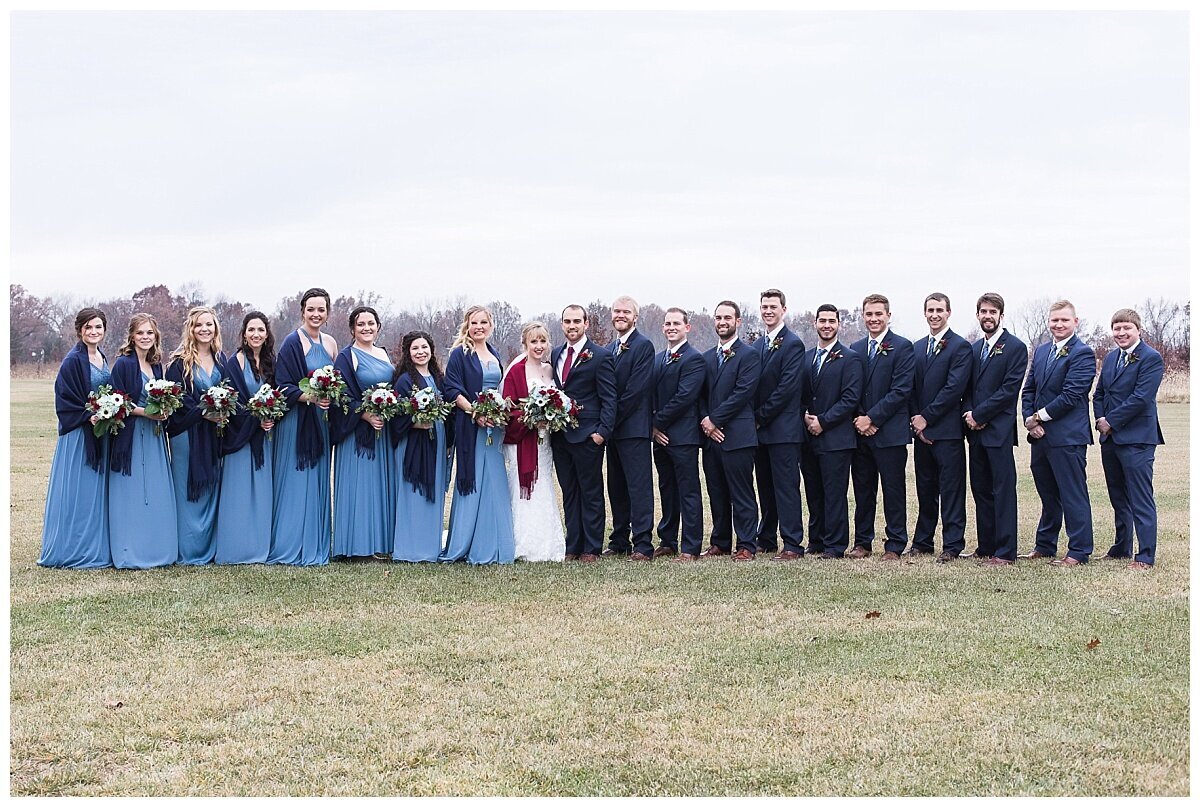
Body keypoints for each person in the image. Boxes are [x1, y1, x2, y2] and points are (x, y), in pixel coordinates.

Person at [1020, 299, 1096, 566]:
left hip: (1068, 437)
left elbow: (1072, 395)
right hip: (1039, 437)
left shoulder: (1083, 353)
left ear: (1075, 322)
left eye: (1064, 320)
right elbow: (1029, 389)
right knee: (1048, 495)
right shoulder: (1041, 352)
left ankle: (1079, 550)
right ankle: (1045, 544)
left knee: (1072, 494)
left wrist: (1039, 416)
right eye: (1054, 320)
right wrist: (1029, 420)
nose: (1059, 324)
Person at [39, 307, 114, 568]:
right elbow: (64, 398)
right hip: (79, 435)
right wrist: (88, 416)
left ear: (104, 330)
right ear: (80, 330)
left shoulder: (101, 357)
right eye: (88, 328)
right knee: (78, 492)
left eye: (98, 327)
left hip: (100, 433)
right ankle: (72, 548)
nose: (94, 332)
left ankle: (94, 544)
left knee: (95, 492)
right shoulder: (73, 360)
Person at [269, 287, 338, 566]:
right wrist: (310, 396)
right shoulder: (291, 342)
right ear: (302, 311)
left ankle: (316, 542)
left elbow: (337, 382)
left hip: (320, 422)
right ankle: (290, 544)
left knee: (318, 479)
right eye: (311, 309)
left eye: (321, 309)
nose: (316, 314)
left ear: (328, 313)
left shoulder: (331, 344)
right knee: (296, 481)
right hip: (295, 422)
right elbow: (282, 385)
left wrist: (329, 396)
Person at [441, 305, 515, 564]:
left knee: (494, 480)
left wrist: (499, 411)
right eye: (474, 323)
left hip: (494, 426)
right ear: (467, 325)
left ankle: (495, 541)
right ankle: (465, 542)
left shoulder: (494, 353)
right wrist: (474, 412)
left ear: (491, 325)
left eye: (484, 322)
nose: (479, 327)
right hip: (471, 425)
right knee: (472, 478)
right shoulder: (460, 354)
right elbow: (451, 388)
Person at [1093, 308, 1165, 569]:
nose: (1121, 333)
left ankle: (1145, 555)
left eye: (1126, 328)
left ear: (1138, 330)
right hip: (1109, 439)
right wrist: (1101, 419)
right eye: (1117, 328)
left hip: (1137, 439)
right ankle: (1122, 546)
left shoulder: (1151, 358)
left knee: (1140, 497)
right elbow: (1099, 393)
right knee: (1118, 496)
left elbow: (1141, 397)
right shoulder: (1111, 358)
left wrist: (1111, 421)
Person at [961, 293, 1028, 566]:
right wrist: (970, 416)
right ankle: (986, 545)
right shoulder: (974, 349)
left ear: (1001, 315)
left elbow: (1009, 390)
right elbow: (966, 388)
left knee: (1002, 490)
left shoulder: (1015, 347)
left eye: (993, 312)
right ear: (977, 315)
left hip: (998, 431)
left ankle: (1005, 551)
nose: (987, 316)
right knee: (981, 490)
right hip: (974, 433)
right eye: (983, 312)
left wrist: (980, 414)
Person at [109, 313, 178, 569]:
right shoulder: (124, 365)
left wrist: (165, 409)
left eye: (149, 333)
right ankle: (131, 550)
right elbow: (117, 402)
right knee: (134, 490)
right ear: (131, 336)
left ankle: (156, 547)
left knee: (156, 489)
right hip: (133, 435)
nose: (145, 337)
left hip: (155, 437)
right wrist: (144, 412)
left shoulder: (157, 365)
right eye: (140, 333)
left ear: (155, 336)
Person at [848, 294, 914, 560]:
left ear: (888, 316)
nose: (873, 319)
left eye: (878, 314)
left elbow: (901, 391)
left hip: (890, 433)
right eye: (869, 314)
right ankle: (862, 542)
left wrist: (872, 419)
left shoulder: (902, 347)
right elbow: (850, 389)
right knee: (863, 490)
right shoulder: (854, 348)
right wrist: (859, 420)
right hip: (860, 433)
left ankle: (895, 543)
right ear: (863, 316)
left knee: (893, 490)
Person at [550, 304, 617, 562]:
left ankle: (591, 548)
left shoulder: (599, 356)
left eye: (577, 321)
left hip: (588, 435)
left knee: (590, 492)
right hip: (560, 436)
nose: (572, 326)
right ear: (562, 324)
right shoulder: (556, 353)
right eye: (567, 321)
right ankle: (573, 546)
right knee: (569, 492)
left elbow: (610, 399)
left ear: (586, 323)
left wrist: (602, 433)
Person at [909, 292, 972, 562]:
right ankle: (923, 541)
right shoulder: (917, 347)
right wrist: (916, 420)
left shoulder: (960, 347)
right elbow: (910, 387)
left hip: (947, 432)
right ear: (924, 313)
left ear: (949, 313)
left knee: (951, 490)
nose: (935, 314)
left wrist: (928, 418)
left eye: (939, 310)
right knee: (925, 489)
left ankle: (952, 544)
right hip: (921, 432)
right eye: (930, 310)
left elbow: (953, 389)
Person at [330, 306, 396, 561]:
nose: (366, 328)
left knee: (380, 487)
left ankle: (380, 544)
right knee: (360, 487)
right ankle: (356, 547)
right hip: (357, 433)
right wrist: (365, 414)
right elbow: (342, 395)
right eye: (361, 324)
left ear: (378, 326)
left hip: (384, 431)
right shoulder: (347, 356)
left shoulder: (384, 353)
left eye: (371, 323)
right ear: (352, 329)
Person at [699, 301, 762, 561]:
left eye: (727, 317)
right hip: (711, 437)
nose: (722, 321)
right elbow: (700, 394)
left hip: (737, 435)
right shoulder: (706, 357)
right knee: (716, 491)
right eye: (718, 317)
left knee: (742, 492)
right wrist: (705, 420)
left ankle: (747, 543)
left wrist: (715, 419)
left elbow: (743, 393)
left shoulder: (749, 355)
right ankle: (720, 541)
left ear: (738, 321)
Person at [166, 305, 228, 566]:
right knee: (186, 490)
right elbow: (177, 399)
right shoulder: (179, 363)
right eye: (199, 325)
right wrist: (204, 412)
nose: (204, 329)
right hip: (186, 435)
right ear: (190, 329)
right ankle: (187, 549)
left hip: (213, 435)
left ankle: (207, 547)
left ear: (216, 329)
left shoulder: (222, 360)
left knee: (212, 487)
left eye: (209, 324)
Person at [799, 304, 863, 559]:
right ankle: (817, 539)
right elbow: (801, 393)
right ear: (815, 323)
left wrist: (823, 421)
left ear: (839, 325)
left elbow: (850, 398)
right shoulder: (805, 358)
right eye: (822, 320)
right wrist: (804, 416)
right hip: (807, 436)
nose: (826, 325)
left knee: (834, 493)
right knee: (813, 491)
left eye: (831, 321)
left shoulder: (850, 358)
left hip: (836, 437)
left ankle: (835, 545)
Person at [213, 311, 277, 564]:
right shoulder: (235, 361)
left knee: (262, 492)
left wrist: (271, 416)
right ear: (244, 334)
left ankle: (260, 545)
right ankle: (237, 547)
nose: (256, 334)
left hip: (266, 436)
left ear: (267, 334)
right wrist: (255, 418)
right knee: (239, 492)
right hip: (241, 436)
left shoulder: (273, 361)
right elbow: (233, 399)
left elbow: (278, 394)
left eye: (260, 330)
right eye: (251, 330)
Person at [502, 322, 567, 562]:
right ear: (525, 344)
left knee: (543, 487)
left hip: (545, 441)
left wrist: (551, 418)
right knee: (522, 489)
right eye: (533, 341)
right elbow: (508, 409)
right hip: (520, 440)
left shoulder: (550, 370)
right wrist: (531, 420)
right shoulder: (516, 371)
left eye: (542, 341)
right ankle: (522, 542)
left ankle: (547, 543)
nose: (538, 346)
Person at [751, 288, 807, 560]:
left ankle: (793, 543)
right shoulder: (758, 345)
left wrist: (758, 417)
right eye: (764, 306)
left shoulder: (792, 344)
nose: (768, 311)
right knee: (765, 487)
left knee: (785, 488)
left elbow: (786, 389)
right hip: (760, 433)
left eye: (773, 306)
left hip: (782, 430)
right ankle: (767, 537)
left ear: (784, 309)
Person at [602, 296, 656, 561]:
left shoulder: (643, 346)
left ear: (635, 316)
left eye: (626, 312)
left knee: (639, 487)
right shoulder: (609, 348)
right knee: (616, 487)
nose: (620, 315)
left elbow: (635, 391)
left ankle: (643, 544)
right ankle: (619, 539)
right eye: (616, 311)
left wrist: (608, 420)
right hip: (613, 432)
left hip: (633, 429)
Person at [391, 331, 453, 562]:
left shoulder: (438, 377)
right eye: (415, 348)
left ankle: (430, 547)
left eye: (424, 347)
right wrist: (415, 423)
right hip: (413, 443)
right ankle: (410, 549)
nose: (421, 352)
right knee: (413, 493)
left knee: (433, 493)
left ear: (431, 349)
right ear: (408, 353)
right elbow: (396, 414)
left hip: (436, 441)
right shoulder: (405, 380)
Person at [651, 307, 707, 561]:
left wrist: (657, 423)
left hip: (683, 436)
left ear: (687, 328)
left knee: (688, 490)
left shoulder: (693, 359)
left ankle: (691, 546)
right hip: (659, 437)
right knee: (667, 488)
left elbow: (685, 397)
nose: (671, 327)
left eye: (676, 323)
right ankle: (668, 539)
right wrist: (653, 428)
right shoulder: (658, 358)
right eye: (667, 323)